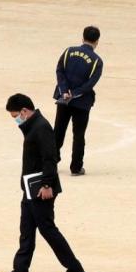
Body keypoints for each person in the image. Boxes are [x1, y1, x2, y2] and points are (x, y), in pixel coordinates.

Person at [0, 94, 86, 272]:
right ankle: (20, 271)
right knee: (26, 230)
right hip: (30, 189)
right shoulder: (32, 125)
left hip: (41, 190)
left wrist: (47, 185)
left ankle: (75, 268)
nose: (16, 121)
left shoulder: (41, 127)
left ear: (24, 111)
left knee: (48, 230)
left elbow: (50, 158)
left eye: (16, 116)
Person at [53, 26, 103, 176]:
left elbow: (59, 70)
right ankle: (76, 167)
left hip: (64, 99)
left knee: (58, 132)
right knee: (79, 135)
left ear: (82, 38)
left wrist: (65, 91)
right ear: (97, 41)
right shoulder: (97, 61)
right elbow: (90, 84)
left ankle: (51, 163)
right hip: (82, 103)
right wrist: (74, 94)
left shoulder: (69, 51)